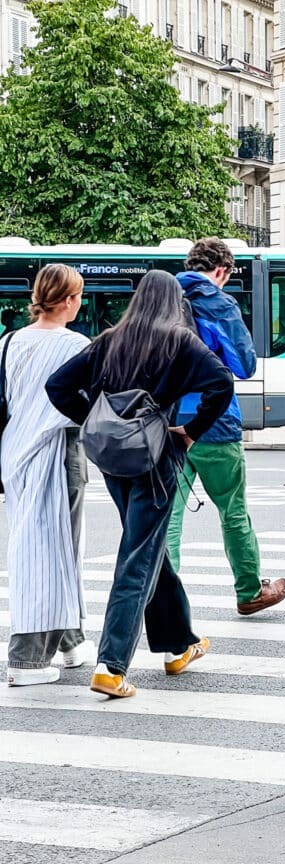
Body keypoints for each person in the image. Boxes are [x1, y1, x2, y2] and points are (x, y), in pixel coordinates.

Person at [46, 270, 234, 698]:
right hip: (156, 458)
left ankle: (178, 644)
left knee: (147, 546)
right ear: (173, 301)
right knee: (138, 556)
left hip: (115, 460)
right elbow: (221, 383)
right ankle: (111, 666)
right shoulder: (179, 341)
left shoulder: (111, 339)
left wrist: (94, 420)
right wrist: (191, 430)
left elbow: (57, 386)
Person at [167, 238, 285, 616]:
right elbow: (244, 365)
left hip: (168, 422)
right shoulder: (220, 303)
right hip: (215, 422)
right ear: (222, 271)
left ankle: (161, 598)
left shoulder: (161, 298)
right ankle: (250, 590)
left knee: (168, 516)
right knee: (233, 511)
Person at [3, 265, 94, 687]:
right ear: (69, 299)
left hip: (14, 453)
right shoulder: (76, 345)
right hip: (57, 453)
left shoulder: (8, 342)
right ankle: (27, 660)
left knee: (49, 546)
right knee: (47, 552)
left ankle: (71, 642)